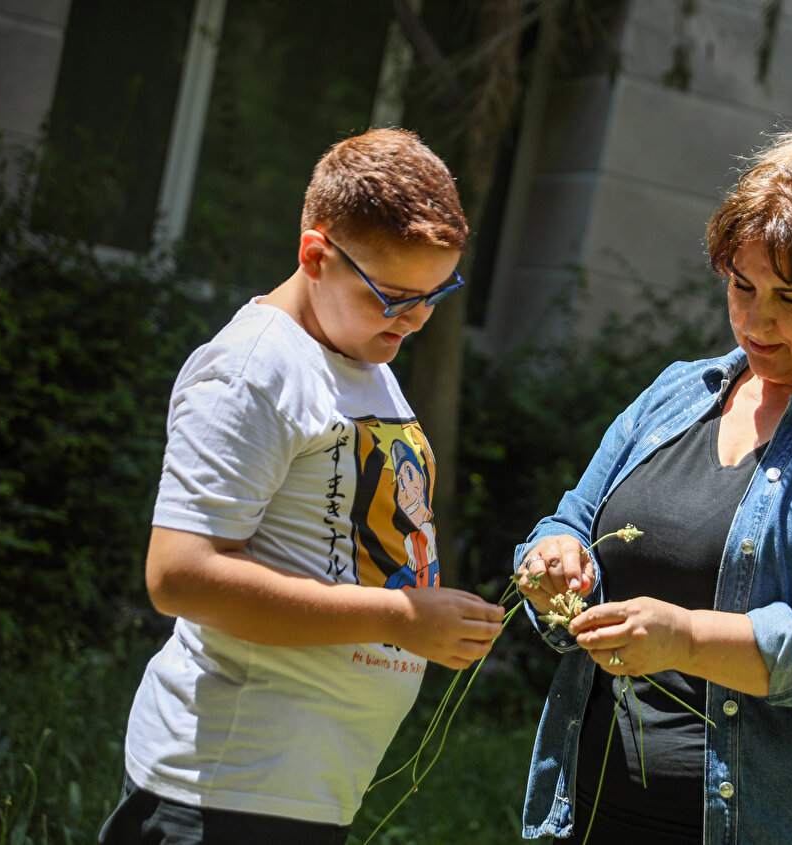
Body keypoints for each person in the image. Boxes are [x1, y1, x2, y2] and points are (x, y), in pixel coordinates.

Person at [513, 115, 792, 844]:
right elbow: (570, 520)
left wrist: (687, 638)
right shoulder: (677, 393)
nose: (756, 321)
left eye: (791, 299)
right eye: (741, 286)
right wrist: (550, 563)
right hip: (594, 816)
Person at [99, 128, 505, 845]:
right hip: (222, 789)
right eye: (394, 296)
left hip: (303, 792)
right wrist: (398, 619)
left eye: (435, 294)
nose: (416, 318)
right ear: (315, 255)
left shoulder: (362, 350)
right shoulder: (253, 370)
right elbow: (180, 574)